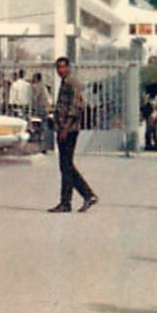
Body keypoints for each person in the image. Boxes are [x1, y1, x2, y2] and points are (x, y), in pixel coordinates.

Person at [47, 56, 97, 213]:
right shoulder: (65, 82)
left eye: (63, 67)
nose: (60, 70)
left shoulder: (72, 82)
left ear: (68, 67)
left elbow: (76, 106)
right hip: (63, 127)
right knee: (66, 166)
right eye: (58, 67)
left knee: (66, 165)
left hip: (69, 129)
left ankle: (77, 198)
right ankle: (77, 198)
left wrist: (66, 128)